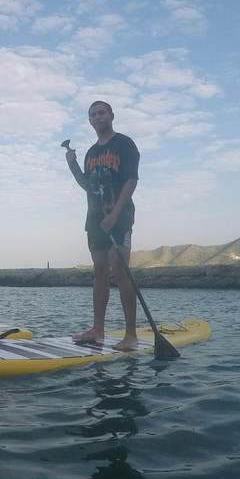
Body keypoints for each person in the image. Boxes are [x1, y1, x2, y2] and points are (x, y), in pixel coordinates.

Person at [65, 100, 140, 351]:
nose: (98, 117)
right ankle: (98, 329)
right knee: (99, 273)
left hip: (119, 217)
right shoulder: (91, 153)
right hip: (95, 219)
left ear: (111, 116)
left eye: (102, 113)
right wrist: (73, 166)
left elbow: (131, 181)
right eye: (93, 115)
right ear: (89, 121)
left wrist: (115, 214)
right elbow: (89, 186)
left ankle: (131, 334)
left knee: (120, 273)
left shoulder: (124, 144)